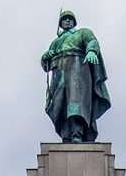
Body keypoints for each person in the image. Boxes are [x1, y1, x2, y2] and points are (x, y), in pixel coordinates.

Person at [41, 10, 111, 143]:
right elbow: (46, 66)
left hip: (77, 70)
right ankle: (66, 136)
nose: (67, 21)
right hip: (59, 73)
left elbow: (92, 41)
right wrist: (45, 58)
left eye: (69, 19)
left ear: (74, 22)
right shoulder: (55, 42)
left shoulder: (82, 33)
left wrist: (91, 51)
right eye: (64, 19)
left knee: (75, 104)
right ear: (60, 23)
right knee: (60, 105)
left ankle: (76, 135)